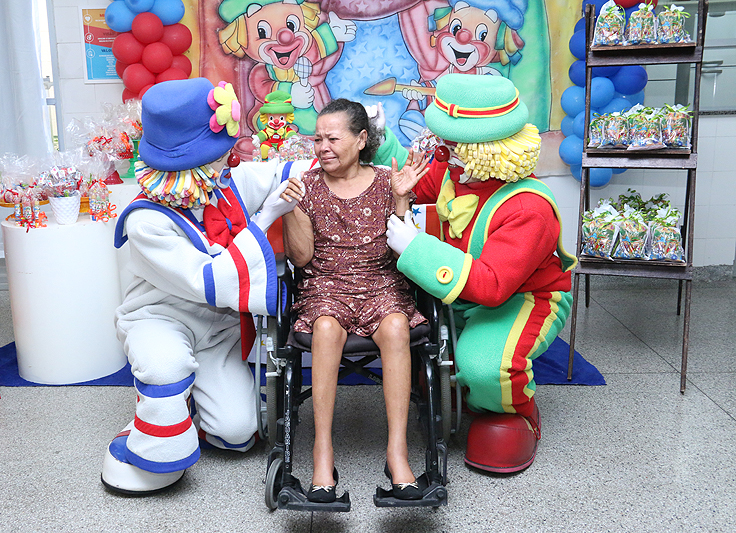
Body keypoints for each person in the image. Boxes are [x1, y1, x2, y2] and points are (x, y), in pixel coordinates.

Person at [101, 77, 307, 494]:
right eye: (216, 153)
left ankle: (187, 403)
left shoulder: (222, 183)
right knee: (166, 367)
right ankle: (153, 418)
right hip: (160, 319)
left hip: (217, 332)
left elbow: (284, 171)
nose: (229, 157)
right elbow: (209, 281)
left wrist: (367, 153)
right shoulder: (146, 221)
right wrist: (265, 217)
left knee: (238, 432)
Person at [385, 74, 577, 473]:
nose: (442, 147)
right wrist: (378, 138)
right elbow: (412, 182)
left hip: (521, 300)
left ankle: (515, 411)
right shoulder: (454, 170)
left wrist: (416, 248)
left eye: (452, 142)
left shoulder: (529, 208)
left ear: (482, 149)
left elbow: (492, 286)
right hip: (459, 294)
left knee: (484, 367)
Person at [281, 98, 429, 502]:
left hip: (381, 283)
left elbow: (403, 253)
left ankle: (397, 453)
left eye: (332, 138)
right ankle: (322, 452)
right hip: (325, 286)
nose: (322, 147)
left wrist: (402, 200)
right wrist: (289, 208)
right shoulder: (306, 186)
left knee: (396, 326)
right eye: (317, 139)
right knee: (326, 329)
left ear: (362, 139)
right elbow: (301, 259)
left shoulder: (385, 181)